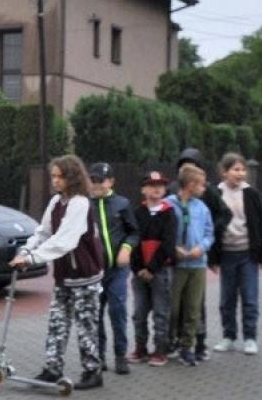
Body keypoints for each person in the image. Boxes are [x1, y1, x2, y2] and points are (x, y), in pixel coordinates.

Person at [9, 154, 105, 390]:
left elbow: (65, 240)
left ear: (71, 178)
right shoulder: (56, 203)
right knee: (57, 323)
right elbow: (43, 232)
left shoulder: (80, 203)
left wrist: (31, 259)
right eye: (53, 176)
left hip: (85, 276)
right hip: (64, 276)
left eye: (59, 177)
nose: (54, 181)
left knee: (86, 326)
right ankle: (52, 368)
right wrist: (25, 249)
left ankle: (93, 371)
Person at [210, 152, 262, 355]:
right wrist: (213, 258)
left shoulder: (251, 194)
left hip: (247, 254)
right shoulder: (215, 193)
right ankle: (228, 336)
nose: (241, 173)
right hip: (226, 254)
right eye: (236, 169)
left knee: (250, 298)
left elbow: (261, 225)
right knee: (227, 298)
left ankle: (251, 338)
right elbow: (210, 226)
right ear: (224, 172)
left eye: (243, 169)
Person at [174, 146, 230, 359]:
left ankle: (199, 342)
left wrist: (206, 238)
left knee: (197, 303)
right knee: (176, 304)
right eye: (184, 164)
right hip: (178, 257)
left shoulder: (208, 192)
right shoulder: (173, 191)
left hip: (199, 254)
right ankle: (178, 340)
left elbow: (224, 214)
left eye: (193, 164)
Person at [87, 162, 139, 376]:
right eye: (93, 180)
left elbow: (134, 232)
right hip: (94, 272)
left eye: (101, 180)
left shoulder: (122, 204)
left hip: (117, 270)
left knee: (118, 311)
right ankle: (98, 357)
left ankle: (120, 355)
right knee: (94, 315)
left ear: (111, 182)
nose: (97, 184)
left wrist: (126, 249)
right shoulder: (84, 205)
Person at [127, 169, 177, 367]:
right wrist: (139, 268)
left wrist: (152, 268)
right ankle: (140, 347)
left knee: (160, 312)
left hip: (161, 271)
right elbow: (133, 241)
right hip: (139, 273)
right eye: (152, 185)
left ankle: (160, 349)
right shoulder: (137, 213)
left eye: (160, 185)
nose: (157, 189)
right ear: (143, 190)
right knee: (139, 312)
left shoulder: (169, 213)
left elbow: (168, 244)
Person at [169, 161, 216, 366]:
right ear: (189, 185)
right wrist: (173, 248)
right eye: (201, 185)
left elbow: (209, 233)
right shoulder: (170, 204)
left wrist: (202, 247)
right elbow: (164, 231)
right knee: (173, 307)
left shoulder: (202, 208)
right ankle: (170, 339)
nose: (204, 189)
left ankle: (187, 346)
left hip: (197, 265)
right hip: (177, 265)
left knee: (193, 308)